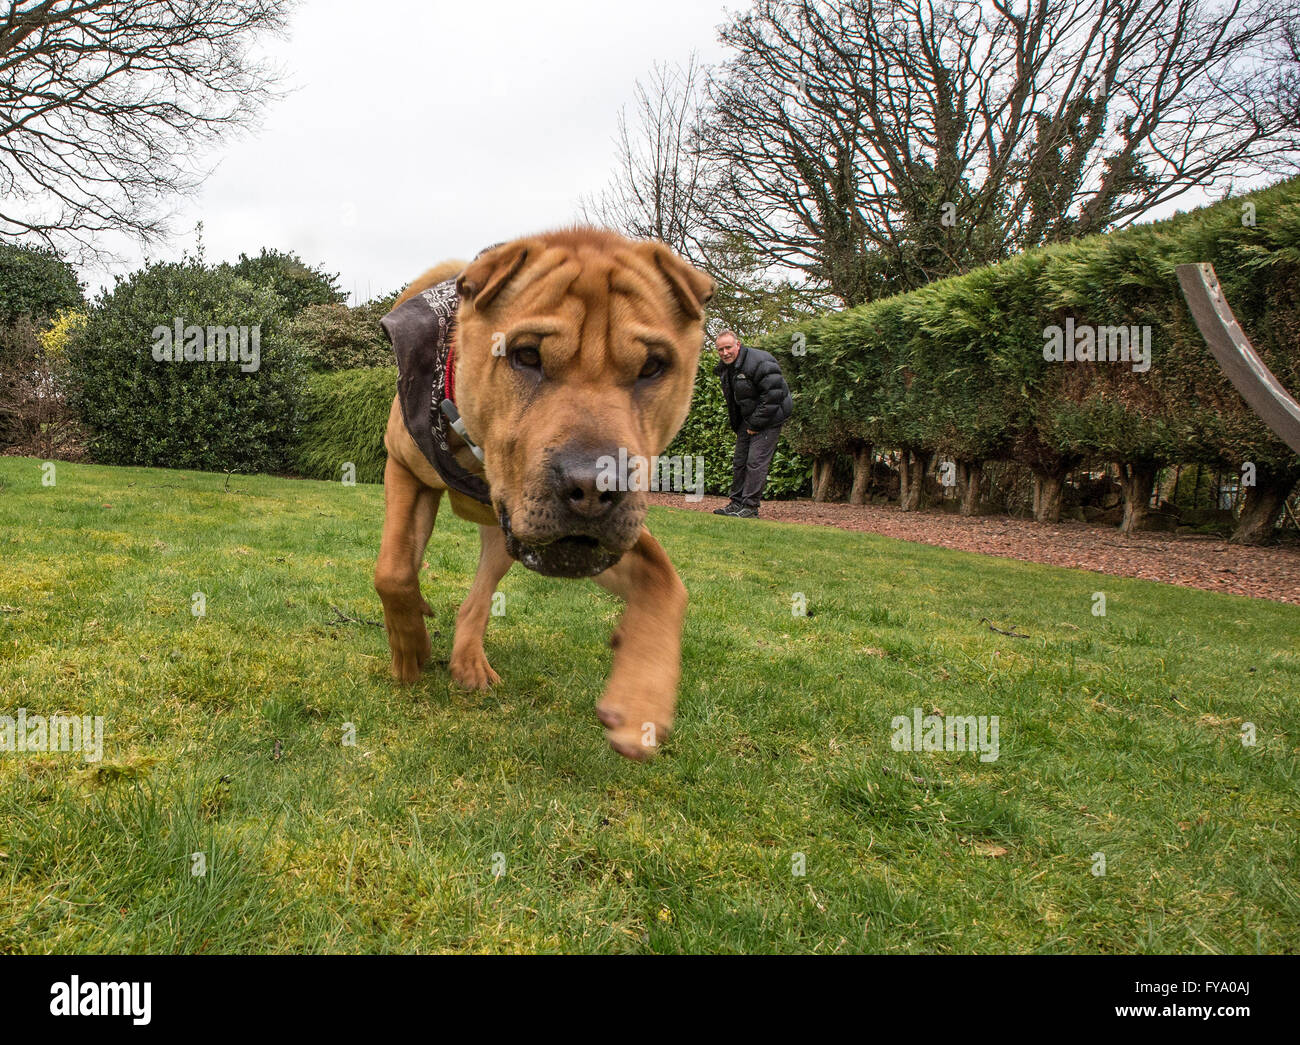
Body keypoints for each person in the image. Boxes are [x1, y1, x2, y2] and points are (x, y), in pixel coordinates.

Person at [711, 329, 792, 518]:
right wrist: (741, 424)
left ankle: (750, 507)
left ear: (738, 344)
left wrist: (755, 424)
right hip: (748, 417)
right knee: (739, 461)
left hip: (771, 415)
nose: (725, 353)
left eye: (728, 347)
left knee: (755, 461)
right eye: (720, 349)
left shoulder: (760, 361)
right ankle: (736, 502)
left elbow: (773, 396)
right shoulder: (726, 369)